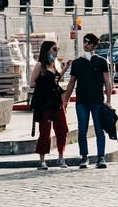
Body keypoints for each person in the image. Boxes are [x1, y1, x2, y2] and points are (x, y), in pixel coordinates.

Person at [63, 33, 113, 169]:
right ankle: (84, 157)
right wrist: (65, 101)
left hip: (97, 100)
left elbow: (107, 81)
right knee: (82, 129)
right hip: (82, 101)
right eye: (84, 42)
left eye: (89, 43)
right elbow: (71, 83)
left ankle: (101, 157)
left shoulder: (101, 62)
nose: (86, 45)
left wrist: (108, 100)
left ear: (95, 45)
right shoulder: (78, 63)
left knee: (99, 129)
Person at [30, 40, 69, 169]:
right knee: (45, 132)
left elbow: (57, 79)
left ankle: (60, 157)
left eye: (57, 49)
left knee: (62, 129)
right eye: (54, 49)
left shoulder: (55, 64)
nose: (56, 51)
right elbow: (32, 83)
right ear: (47, 50)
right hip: (44, 102)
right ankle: (42, 160)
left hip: (56, 101)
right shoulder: (40, 65)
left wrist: (65, 68)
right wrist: (44, 85)